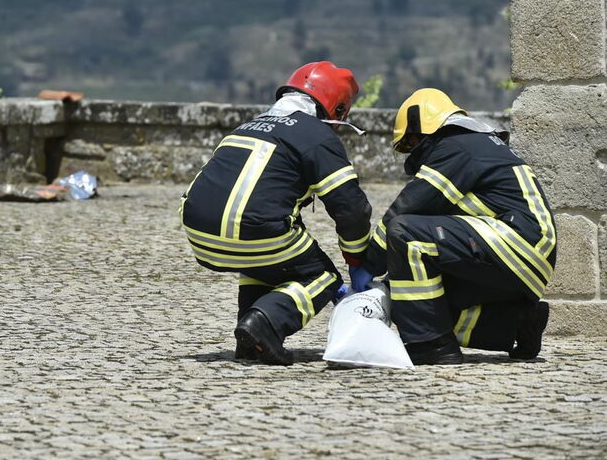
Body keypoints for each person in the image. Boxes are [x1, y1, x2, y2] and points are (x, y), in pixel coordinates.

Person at [180, 61, 372, 365]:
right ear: (337, 110)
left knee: (268, 260)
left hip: (199, 235)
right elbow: (351, 209)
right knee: (322, 275)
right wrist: (357, 257)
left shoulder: (249, 125)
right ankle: (265, 324)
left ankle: (251, 339)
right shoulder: (318, 136)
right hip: (256, 231)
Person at [351, 88, 555, 365]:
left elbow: (409, 206)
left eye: (410, 142)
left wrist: (368, 264)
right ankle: (518, 324)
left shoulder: (457, 145)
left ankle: (432, 346)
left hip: (517, 243)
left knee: (405, 233)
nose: (411, 150)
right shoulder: (476, 143)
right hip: (525, 254)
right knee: (408, 296)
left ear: (421, 129)